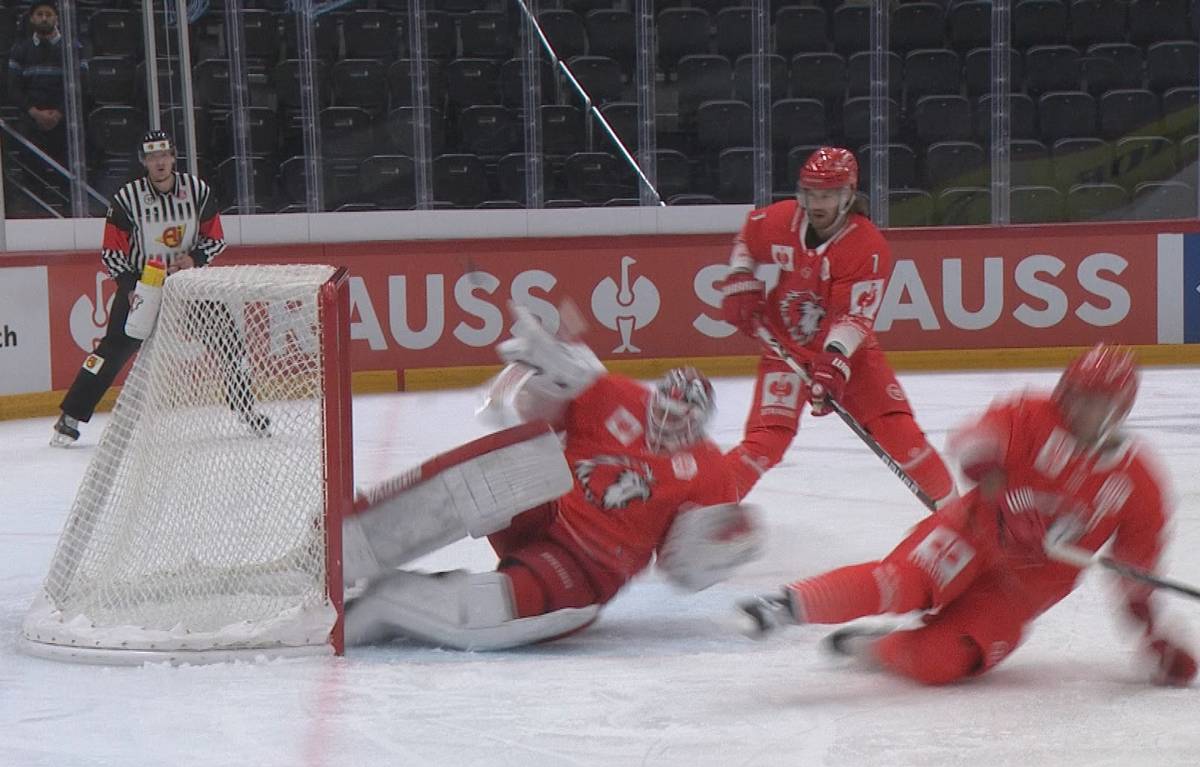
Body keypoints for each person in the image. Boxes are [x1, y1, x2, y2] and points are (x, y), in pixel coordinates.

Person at [739, 344, 1197, 688]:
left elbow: (1135, 572)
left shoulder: (1139, 483)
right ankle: (787, 605)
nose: (1075, 405)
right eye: (1073, 392)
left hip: (1023, 591)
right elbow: (977, 446)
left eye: (1092, 399)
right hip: (974, 532)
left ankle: (876, 648)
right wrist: (1008, 504)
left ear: (1118, 410)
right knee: (901, 582)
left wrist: (1152, 637)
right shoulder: (1032, 413)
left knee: (943, 662)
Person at [342, 307, 764, 651]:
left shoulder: (710, 473)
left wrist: (714, 550)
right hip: (544, 515)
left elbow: (681, 570)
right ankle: (359, 538)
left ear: (701, 425)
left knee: (484, 608)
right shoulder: (615, 395)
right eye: (663, 413)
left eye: (680, 422)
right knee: (521, 462)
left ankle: (381, 605)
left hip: (587, 568)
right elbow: (533, 415)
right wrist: (544, 379)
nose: (666, 427)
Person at [718, 146, 954, 504]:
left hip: (852, 358)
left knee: (904, 439)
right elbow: (747, 240)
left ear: (847, 196)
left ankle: (958, 515)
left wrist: (834, 360)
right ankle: (704, 509)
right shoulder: (783, 221)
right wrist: (739, 277)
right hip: (785, 349)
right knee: (763, 443)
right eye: (811, 193)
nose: (817, 203)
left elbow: (855, 317)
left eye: (827, 194)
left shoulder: (867, 246)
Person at [51, 130, 264, 446]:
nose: (159, 162)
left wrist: (194, 258)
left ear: (173, 157)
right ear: (144, 162)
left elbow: (216, 238)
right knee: (111, 350)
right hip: (144, 285)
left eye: (164, 155)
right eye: (152, 157)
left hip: (189, 284)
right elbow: (112, 251)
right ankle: (70, 417)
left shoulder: (197, 191)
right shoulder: (127, 198)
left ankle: (246, 409)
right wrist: (128, 285)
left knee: (229, 340)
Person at [6, 1, 67, 164]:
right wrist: (35, 113)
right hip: (31, 123)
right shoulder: (20, 50)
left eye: (48, 14)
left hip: (64, 123)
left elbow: (80, 87)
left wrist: (58, 114)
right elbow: (13, 89)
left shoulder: (71, 49)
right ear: (32, 19)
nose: (44, 18)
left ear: (57, 19)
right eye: (39, 14)